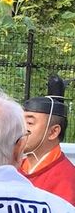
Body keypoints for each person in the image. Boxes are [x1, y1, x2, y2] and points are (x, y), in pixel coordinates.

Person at [20, 75, 75, 204]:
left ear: (53, 132)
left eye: (29, 123)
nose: (21, 129)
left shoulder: (68, 180)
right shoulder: (13, 170)